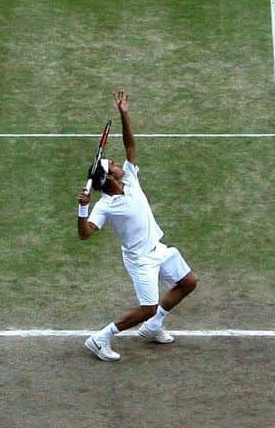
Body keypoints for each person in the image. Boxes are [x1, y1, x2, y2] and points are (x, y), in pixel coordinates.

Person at [77, 90, 198, 363]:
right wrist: (82, 208)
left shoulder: (131, 179)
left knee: (188, 282)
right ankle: (100, 338)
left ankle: (153, 326)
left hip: (158, 249)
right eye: (115, 165)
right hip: (140, 260)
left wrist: (125, 115)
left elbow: (130, 145)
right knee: (147, 307)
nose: (121, 164)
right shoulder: (105, 206)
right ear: (107, 178)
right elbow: (85, 234)